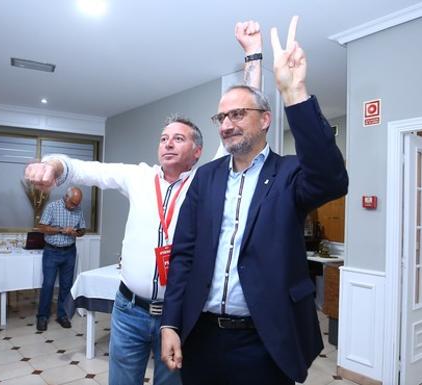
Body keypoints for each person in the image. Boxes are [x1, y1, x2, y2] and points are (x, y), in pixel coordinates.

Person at [24, 21, 263, 385]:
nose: (167, 143)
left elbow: (246, 114)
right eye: (164, 138)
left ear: (197, 151)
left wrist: (252, 55)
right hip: (129, 310)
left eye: (178, 139)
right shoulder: (138, 177)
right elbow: (89, 170)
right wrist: (54, 164)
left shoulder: (206, 179)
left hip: (179, 315)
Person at [160, 16, 349, 385]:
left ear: (265, 120)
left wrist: (294, 94)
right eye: (221, 117)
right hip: (201, 334)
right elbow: (183, 254)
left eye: (237, 114)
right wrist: (170, 322)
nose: (227, 123)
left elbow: (332, 180)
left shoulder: (290, 174)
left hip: (265, 339)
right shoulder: (206, 177)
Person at [35, 186, 86, 331]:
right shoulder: (52, 207)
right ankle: (42, 317)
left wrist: (76, 232)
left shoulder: (78, 209)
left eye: (77, 204)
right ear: (66, 198)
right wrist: (62, 230)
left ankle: (62, 315)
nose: (75, 206)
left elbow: (83, 230)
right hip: (52, 251)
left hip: (69, 252)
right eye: (73, 203)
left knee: (66, 285)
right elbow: (42, 227)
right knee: (48, 285)